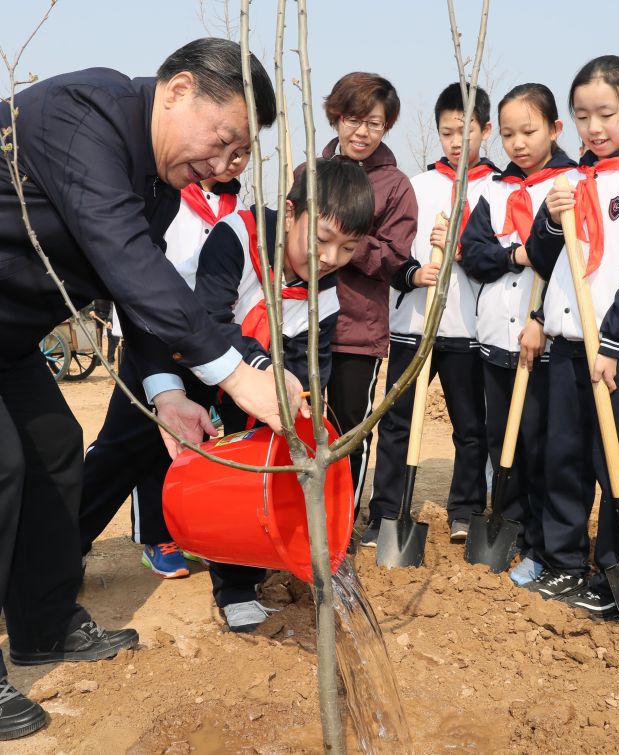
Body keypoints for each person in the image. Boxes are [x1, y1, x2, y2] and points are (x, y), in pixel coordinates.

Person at [0, 38, 297, 742]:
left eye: (237, 154)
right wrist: (235, 371)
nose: (222, 163)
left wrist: (167, 392)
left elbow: (135, 293)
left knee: (53, 446)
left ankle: (43, 624)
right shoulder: (85, 115)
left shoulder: (157, 189)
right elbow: (129, 261)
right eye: (222, 138)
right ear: (177, 91)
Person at [525, 55, 619, 618]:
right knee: (562, 460)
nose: (595, 127)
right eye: (583, 115)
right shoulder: (567, 179)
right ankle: (565, 564)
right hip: (568, 349)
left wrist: (613, 342)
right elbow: (543, 258)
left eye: (607, 114)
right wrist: (548, 217)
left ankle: (618, 574)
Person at [195, 159, 373, 630]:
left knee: (262, 467)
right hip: (184, 365)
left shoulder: (325, 291)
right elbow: (206, 322)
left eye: (348, 248)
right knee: (126, 456)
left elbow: (309, 363)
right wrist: (261, 370)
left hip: (262, 384)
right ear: (291, 213)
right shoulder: (237, 236)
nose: (331, 258)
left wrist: (299, 408)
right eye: (322, 240)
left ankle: (236, 580)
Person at [79, 155, 247, 580]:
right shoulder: (169, 195)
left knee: (179, 445)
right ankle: (65, 541)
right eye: (226, 146)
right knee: (124, 447)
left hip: (205, 341)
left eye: (244, 151)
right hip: (151, 337)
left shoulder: (237, 205)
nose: (234, 160)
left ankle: (167, 534)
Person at [365, 82, 496, 546]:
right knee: (397, 422)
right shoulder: (415, 187)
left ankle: (465, 509)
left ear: (487, 129)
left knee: (470, 425)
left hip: (470, 330)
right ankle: (386, 511)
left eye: (467, 130)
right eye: (447, 132)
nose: (457, 141)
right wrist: (412, 274)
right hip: (412, 326)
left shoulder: (500, 190)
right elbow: (391, 253)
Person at [460, 83, 579, 583]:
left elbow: (571, 263)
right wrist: (518, 255)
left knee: (539, 447)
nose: (518, 144)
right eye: (507, 134)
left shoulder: (571, 185)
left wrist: (541, 321)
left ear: (554, 128)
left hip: (544, 345)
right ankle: (510, 529)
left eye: (529, 131)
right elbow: (474, 254)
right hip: (495, 340)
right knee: (499, 444)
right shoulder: (491, 190)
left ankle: (543, 546)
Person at [318, 72, 418, 523]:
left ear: (386, 128)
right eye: (354, 119)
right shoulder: (309, 174)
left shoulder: (395, 186)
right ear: (336, 116)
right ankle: (296, 523)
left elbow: (396, 259)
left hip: (358, 332)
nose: (362, 132)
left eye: (374, 124)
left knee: (347, 435)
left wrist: (344, 238)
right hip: (301, 326)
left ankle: (339, 529)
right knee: (294, 429)